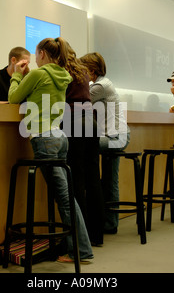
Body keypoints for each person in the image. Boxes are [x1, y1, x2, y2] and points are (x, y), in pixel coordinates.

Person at [8, 37, 94, 263]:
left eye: (36, 55)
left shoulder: (39, 74)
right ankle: (79, 249)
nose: (35, 59)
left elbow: (13, 97)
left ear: (43, 55)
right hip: (59, 136)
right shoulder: (64, 76)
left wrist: (17, 75)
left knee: (65, 199)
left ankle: (81, 252)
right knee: (67, 197)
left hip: (44, 139)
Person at [79, 52, 130, 234]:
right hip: (119, 136)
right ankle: (109, 223)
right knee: (110, 180)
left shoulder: (99, 86)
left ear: (91, 71)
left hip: (114, 137)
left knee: (80, 148)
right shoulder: (105, 84)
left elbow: (76, 101)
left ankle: (90, 217)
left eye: (82, 70)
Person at [62, 43, 104, 247]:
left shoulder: (62, 72)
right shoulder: (82, 73)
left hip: (73, 122)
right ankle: (97, 235)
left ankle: (81, 238)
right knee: (93, 178)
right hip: (91, 122)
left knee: (76, 178)